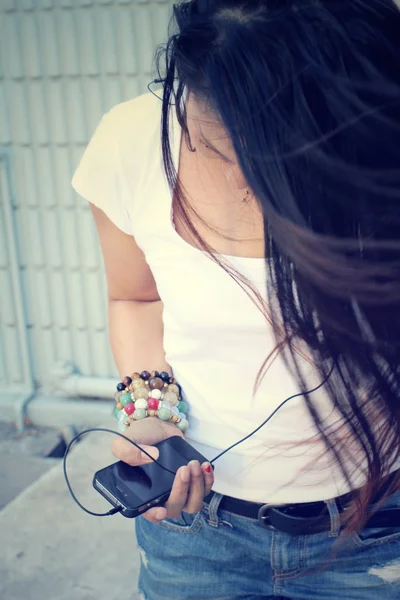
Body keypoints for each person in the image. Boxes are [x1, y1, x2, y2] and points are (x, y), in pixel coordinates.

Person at [71, 1, 400, 598]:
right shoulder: (129, 141)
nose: (245, 187)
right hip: (198, 535)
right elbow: (135, 299)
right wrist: (148, 416)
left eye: (278, 158)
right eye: (222, 146)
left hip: (377, 531)